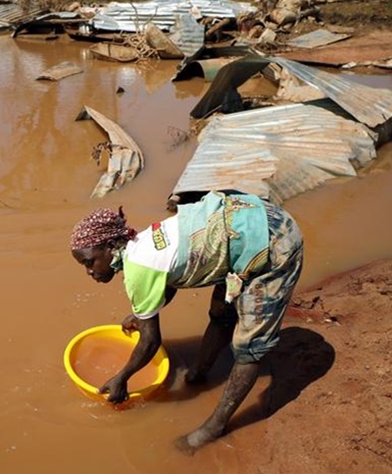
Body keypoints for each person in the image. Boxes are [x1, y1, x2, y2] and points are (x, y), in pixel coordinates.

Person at [69, 191, 304, 453]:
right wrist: (140, 315)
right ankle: (199, 373)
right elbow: (170, 278)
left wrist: (122, 377)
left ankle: (214, 427)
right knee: (222, 313)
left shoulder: (137, 271)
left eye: (90, 262)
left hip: (272, 242)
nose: (89, 271)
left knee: (248, 349)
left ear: (110, 247)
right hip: (245, 220)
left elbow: (150, 342)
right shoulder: (141, 241)